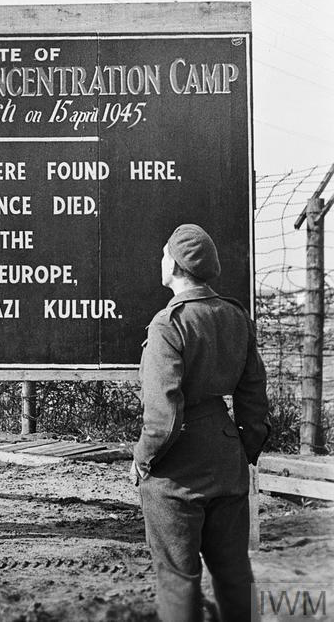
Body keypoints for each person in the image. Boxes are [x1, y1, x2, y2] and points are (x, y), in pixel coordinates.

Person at [131, 223, 271, 622]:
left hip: (177, 473)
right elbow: (253, 398)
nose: (160, 261)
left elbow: (163, 416)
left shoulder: (168, 324)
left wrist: (142, 458)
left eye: (163, 254)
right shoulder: (235, 316)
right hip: (227, 459)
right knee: (233, 572)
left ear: (174, 264)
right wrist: (244, 448)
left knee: (178, 578)